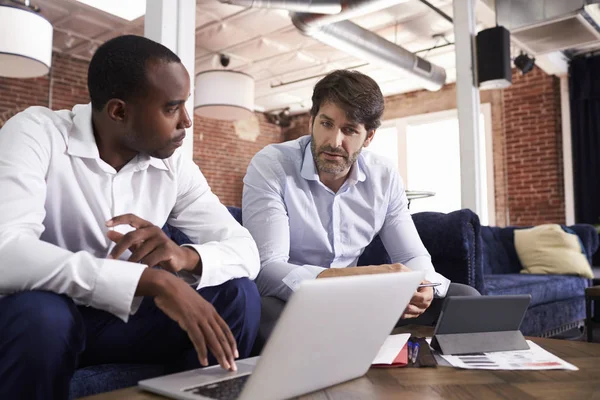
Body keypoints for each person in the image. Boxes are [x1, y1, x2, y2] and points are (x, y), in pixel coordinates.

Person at [0, 35, 261, 399]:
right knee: (43, 315)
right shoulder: (35, 133)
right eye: (172, 108)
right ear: (119, 111)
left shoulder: (174, 164)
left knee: (239, 295)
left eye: (185, 104)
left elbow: (246, 249)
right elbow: (6, 251)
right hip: (47, 320)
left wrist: (187, 257)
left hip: (123, 324)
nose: (186, 121)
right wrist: (150, 281)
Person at [242, 70, 479, 333]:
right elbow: (267, 269)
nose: (334, 141)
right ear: (312, 121)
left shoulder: (384, 176)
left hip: (363, 299)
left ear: (368, 137)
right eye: (326, 124)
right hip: (297, 300)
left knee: (464, 298)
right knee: (263, 312)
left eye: (349, 130)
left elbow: (411, 254)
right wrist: (360, 277)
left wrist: (423, 285)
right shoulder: (272, 164)